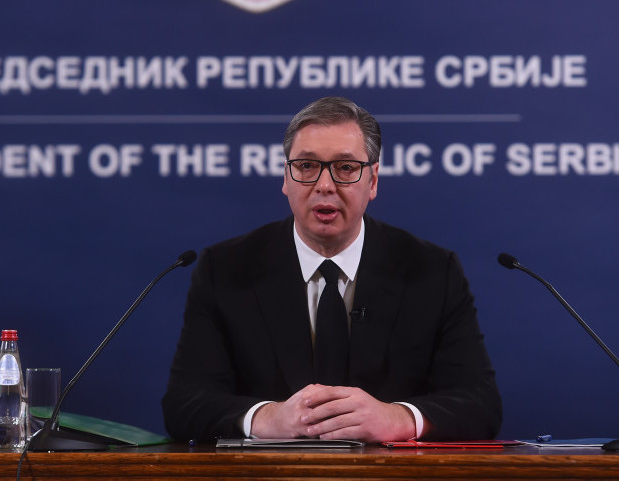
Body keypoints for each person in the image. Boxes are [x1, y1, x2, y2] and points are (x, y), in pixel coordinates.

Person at [162, 97, 501, 442]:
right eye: (307, 166)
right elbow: (184, 403)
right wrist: (266, 418)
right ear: (286, 177)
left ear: (373, 181)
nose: (324, 185)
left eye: (346, 168)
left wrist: (397, 418)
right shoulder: (225, 270)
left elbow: (480, 403)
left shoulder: (432, 272)